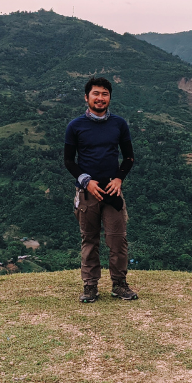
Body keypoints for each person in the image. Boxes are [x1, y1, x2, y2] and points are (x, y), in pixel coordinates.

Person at [64, 76, 137, 302]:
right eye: (96, 93)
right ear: (86, 97)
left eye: (105, 94)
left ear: (109, 98)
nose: (100, 98)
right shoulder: (75, 126)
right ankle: (90, 286)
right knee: (90, 240)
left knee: (118, 240)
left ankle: (119, 284)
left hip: (112, 192)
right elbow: (69, 161)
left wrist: (119, 179)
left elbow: (128, 157)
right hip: (88, 193)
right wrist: (86, 181)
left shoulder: (119, 124)